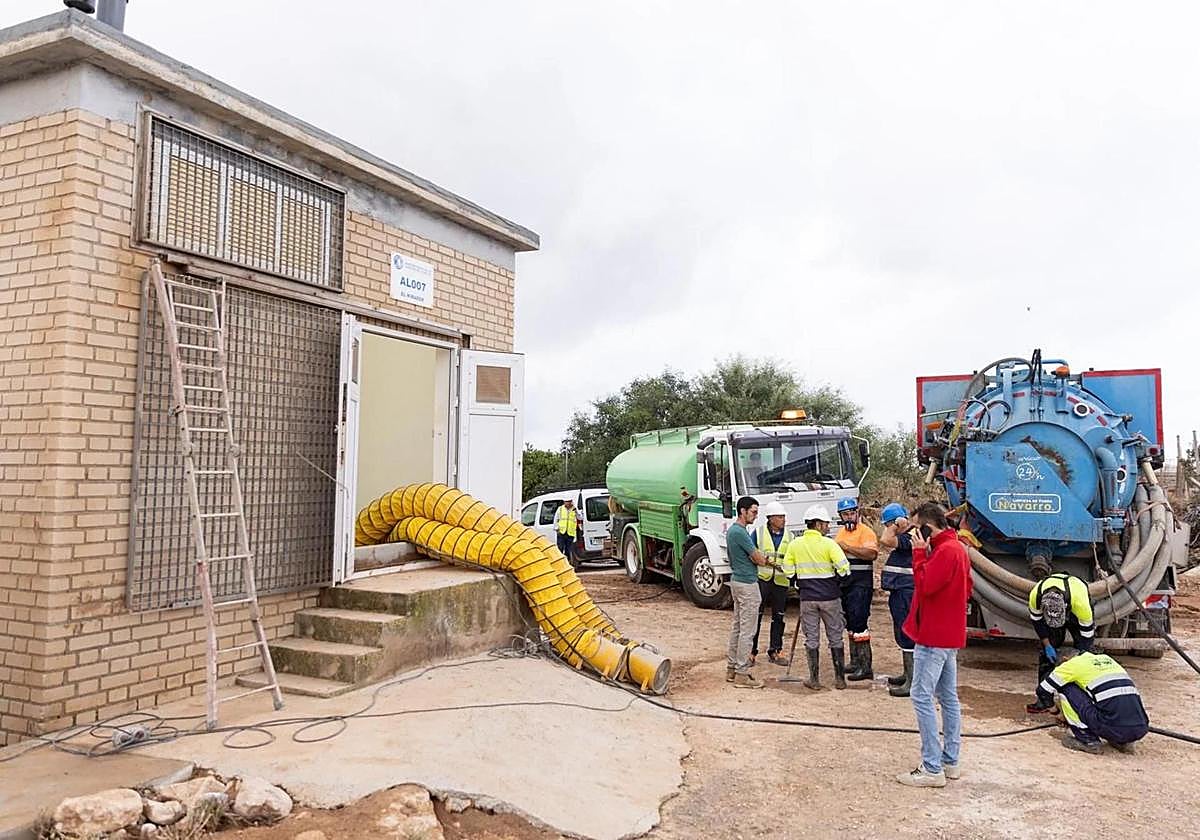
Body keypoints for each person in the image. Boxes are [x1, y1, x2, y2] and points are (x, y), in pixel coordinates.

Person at [895, 501, 972, 788]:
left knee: (921, 696)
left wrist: (918, 555)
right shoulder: (956, 548)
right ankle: (950, 760)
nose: (914, 534)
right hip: (948, 633)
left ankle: (931, 767)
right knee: (947, 697)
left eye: (917, 528)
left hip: (934, 635)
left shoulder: (945, 551)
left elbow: (926, 585)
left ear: (928, 526)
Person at [783, 504, 851, 690]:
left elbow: (787, 570)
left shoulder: (795, 544)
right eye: (826, 524)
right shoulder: (829, 544)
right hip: (830, 598)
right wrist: (835, 580)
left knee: (811, 638)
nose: (828, 527)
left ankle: (814, 679)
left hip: (807, 598)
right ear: (819, 524)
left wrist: (797, 581)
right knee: (835, 637)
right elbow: (844, 569)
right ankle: (839, 679)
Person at [1040, 650, 1150, 754]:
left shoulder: (1071, 664)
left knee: (1064, 687)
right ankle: (1122, 742)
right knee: (1105, 697)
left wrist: (1057, 713)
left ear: (1065, 659)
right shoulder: (1106, 659)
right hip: (1140, 727)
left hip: (1112, 727)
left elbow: (1043, 690)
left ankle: (1088, 740)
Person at [1025, 569, 1096, 714]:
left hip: (1075, 606)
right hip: (1061, 599)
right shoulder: (1035, 596)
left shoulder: (1081, 604)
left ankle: (1084, 702)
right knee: (1045, 655)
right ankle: (1044, 700)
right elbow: (1038, 623)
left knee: (1084, 656)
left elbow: (1087, 636)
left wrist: (1082, 655)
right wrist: (1047, 645)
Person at [725, 495, 777, 689]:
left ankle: (732, 668)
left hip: (738, 582)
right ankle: (741, 672)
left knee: (738, 627)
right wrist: (765, 559)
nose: (756, 516)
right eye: (753, 512)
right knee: (747, 630)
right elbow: (757, 558)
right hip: (747, 584)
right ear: (743, 511)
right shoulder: (740, 533)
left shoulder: (734, 532)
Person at [834, 498, 879, 681]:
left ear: (857, 512)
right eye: (846, 514)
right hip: (845, 584)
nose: (849, 517)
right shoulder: (840, 533)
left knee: (860, 623)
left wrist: (848, 548)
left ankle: (865, 666)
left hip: (861, 584)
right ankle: (854, 662)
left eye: (852, 513)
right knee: (851, 624)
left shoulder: (865, 532)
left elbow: (872, 554)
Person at [751, 501, 795, 666]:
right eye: (779, 517)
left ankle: (775, 650)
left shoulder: (790, 537)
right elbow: (750, 552)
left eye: (783, 516)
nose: (783, 519)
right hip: (762, 580)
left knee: (779, 617)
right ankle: (751, 651)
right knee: (756, 616)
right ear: (770, 518)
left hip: (781, 582)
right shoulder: (758, 533)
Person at [878, 503, 915, 697]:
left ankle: (912, 681)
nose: (887, 528)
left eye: (889, 523)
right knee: (902, 633)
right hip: (899, 592)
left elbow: (885, 539)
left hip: (907, 593)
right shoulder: (905, 537)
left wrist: (897, 525)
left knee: (908, 634)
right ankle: (907, 673)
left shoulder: (910, 537)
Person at [553, 499, 579, 563]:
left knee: (568, 549)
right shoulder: (560, 509)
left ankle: (567, 562)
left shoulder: (574, 509)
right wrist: (556, 529)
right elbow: (556, 519)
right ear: (564, 502)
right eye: (567, 502)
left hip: (570, 533)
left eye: (569, 502)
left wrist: (576, 512)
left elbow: (580, 518)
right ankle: (560, 562)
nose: (568, 503)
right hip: (561, 532)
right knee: (560, 548)